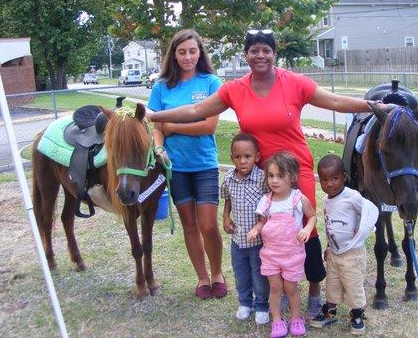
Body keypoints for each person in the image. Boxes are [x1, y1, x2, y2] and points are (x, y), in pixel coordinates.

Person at [146, 29, 384, 314]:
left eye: (266, 50)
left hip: (296, 171)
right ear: (246, 55)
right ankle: (280, 290)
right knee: (270, 233)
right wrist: (154, 116)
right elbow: (197, 109)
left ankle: (315, 290)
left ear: (274, 54)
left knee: (305, 229)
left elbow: (333, 101)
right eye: (254, 50)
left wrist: (373, 106)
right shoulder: (235, 89)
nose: (260, 55)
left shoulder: (294, 83)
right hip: (261, 176)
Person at [147, 28, 226, 299]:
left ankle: (218, 273)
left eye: (193, 51)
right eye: (182, 52)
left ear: (200, 53)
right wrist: (159, 146)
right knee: (189, 225)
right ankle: (203, 278)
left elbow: (209, 126)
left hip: (204, 164)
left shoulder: (211, 83)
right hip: (176, 167)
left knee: (208, 225)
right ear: (174, 55)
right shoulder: (161, 87)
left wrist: (171, 126)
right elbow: (156, 127)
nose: (188, 56)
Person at [247, 152, 316, 338]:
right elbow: (262, 222)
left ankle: (296, 318)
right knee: (275, 288)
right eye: (271, 175)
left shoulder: (298, 199)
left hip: (292, 255)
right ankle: (277, 320)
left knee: (291, 289)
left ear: (292, 177)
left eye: (280, 175)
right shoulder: (266, 201)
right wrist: (255, 229)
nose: (274, 180)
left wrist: (307, 229)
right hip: (271, 254)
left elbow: (313, 217)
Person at [310, 155, 379, 335]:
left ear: (345, 177)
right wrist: (328, 246)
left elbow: (368, 210)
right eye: (324, 180)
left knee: (353, 284)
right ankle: (330, 312)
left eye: (334, 178)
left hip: (352, 253)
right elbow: (330, 224)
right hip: (334, 252)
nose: (329, 184)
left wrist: (365, 228)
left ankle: (357, 314)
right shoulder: (326, 200)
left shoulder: (352, 196)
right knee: (332, 284)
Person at [221, 133, 270, 324]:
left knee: (259, 274)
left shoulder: (262, 178)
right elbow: (227, 200)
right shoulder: (228, 179)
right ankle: (244, 303)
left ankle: (261, 305)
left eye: (247, 156)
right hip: (237, 239)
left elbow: (269, 205)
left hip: (258, 241)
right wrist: (226, 217)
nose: (242, 161)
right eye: (238, 157)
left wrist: (261, 225)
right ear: (231, 157)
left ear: (257, 157)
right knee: (240, 273)